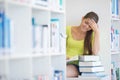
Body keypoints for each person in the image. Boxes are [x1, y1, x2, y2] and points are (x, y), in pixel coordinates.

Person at [66, 11, 100, 78]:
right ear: (82, 18)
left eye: (90, 26)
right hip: (64, 61)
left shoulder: (92, 35)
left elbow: (95, 52)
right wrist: (64, 55)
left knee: (63, 72)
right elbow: (58, 47)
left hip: (78, 65)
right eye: (86, 22)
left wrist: (97, 31)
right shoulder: (68, 29)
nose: (86, 26)